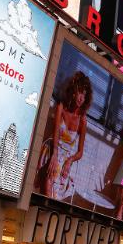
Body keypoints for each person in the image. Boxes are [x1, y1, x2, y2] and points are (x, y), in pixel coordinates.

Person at [42, 71, 92, 200]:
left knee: (56, 197)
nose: (81, 98)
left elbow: (80, 152)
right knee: (49, 186)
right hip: (53, 152)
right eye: (80, 92)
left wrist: (70, 160)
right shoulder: (61, 108)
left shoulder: (82, 120)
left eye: (85, 95)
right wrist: (54, 155)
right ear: (74, 91)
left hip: (66, 161)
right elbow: (55, 134)